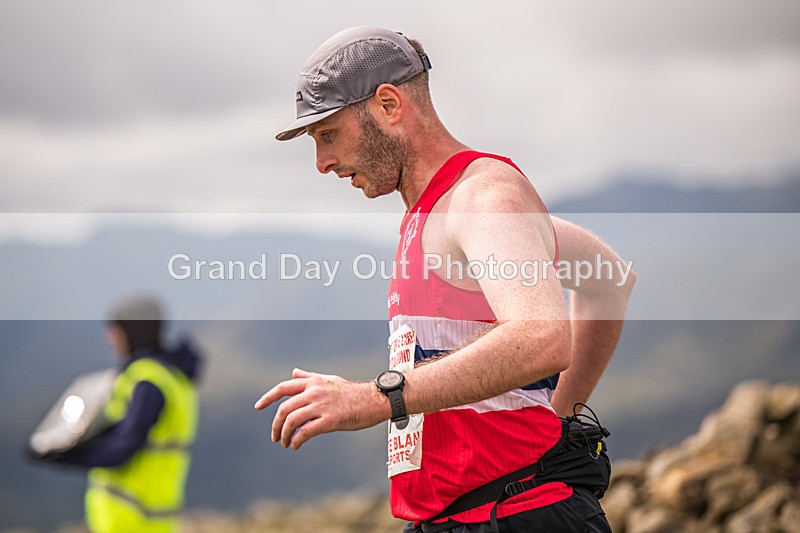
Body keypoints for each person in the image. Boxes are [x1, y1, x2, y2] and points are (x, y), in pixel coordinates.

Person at [255, 27, 635, 532]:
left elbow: (542, 336)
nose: (322, 163)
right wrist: (557, 415)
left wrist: (374, 397)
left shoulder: (483, 197)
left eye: (328, 134)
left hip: (519, 515)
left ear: (389, 105)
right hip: (466, 516)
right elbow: (610, 277)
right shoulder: (435, 212)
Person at [35, 296, 201, 533]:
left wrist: (62, 453)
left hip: (130, 520)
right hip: (154, 519)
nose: (109, 338)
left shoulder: (148, 382)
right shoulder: (175, 379)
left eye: (115, 330)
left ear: (132, 332)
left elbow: (122, 448)